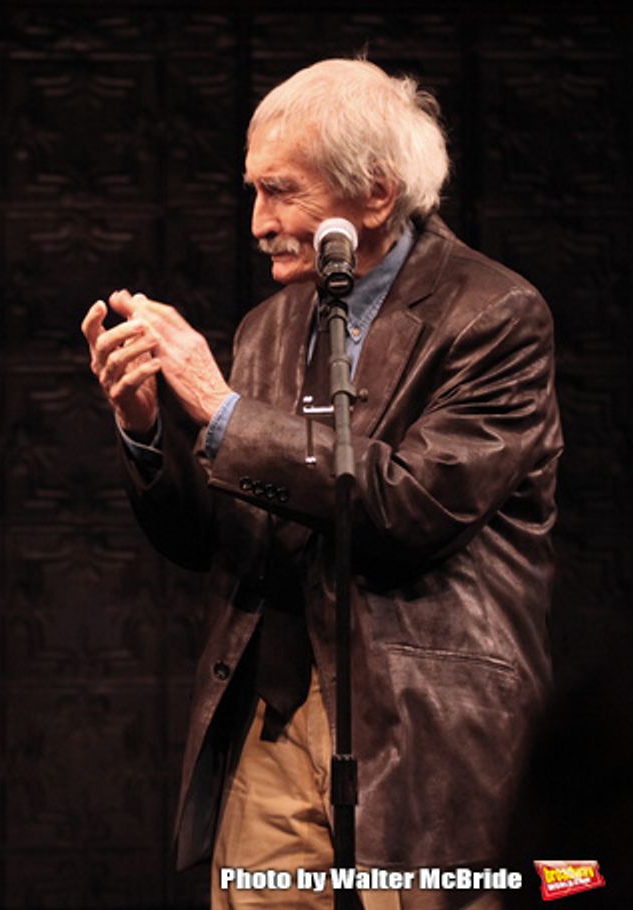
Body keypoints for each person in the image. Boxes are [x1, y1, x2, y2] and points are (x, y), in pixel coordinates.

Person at [82, 58, 562, 910]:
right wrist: (148, 426)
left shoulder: (493, 316)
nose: (259, 222)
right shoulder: (271, 324)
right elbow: (214, 538)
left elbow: (405, 507)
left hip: (419, 726)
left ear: (376, 195)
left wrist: (221, 408)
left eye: (281, 192)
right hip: (276, 713)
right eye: (253, 192)